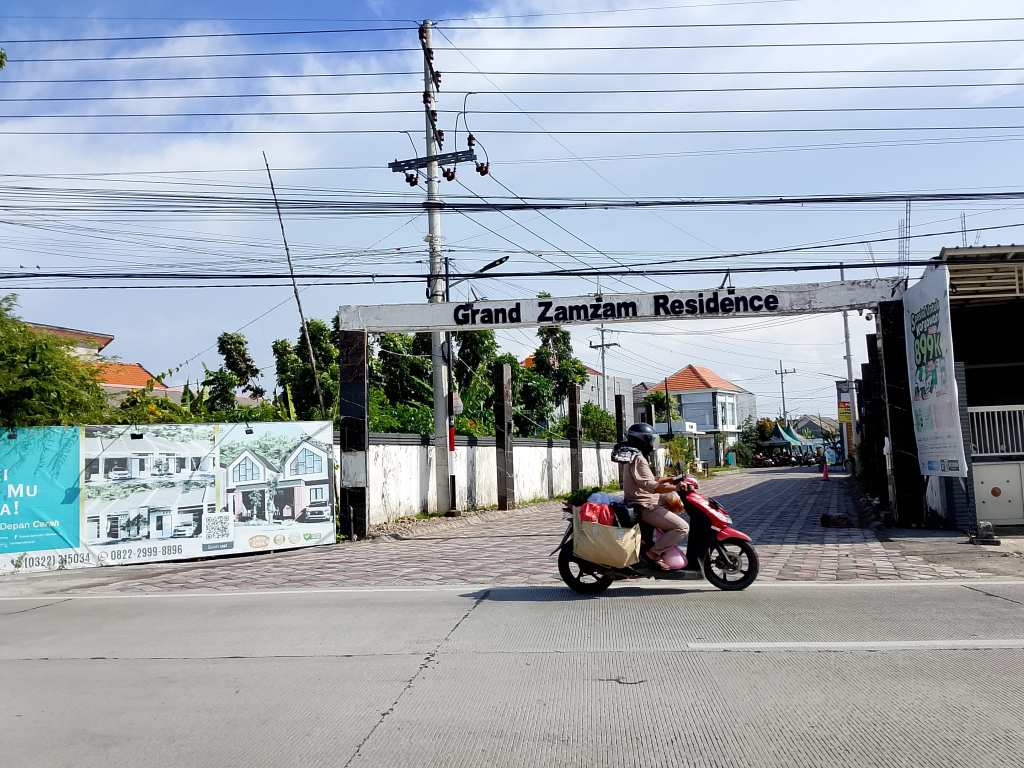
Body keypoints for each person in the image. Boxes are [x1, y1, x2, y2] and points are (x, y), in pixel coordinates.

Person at [619, 422, 690, 570]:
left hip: (644, 503)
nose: (652, 443)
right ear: (643, 441)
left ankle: (652, 549)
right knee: (682, 527)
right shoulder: (638, 459)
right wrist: (675, 487)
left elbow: (649, 480)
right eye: (651, 440)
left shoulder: (636, 457)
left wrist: (670, 479)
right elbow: (649, 486)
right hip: (644, 506)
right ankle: (654, 553)